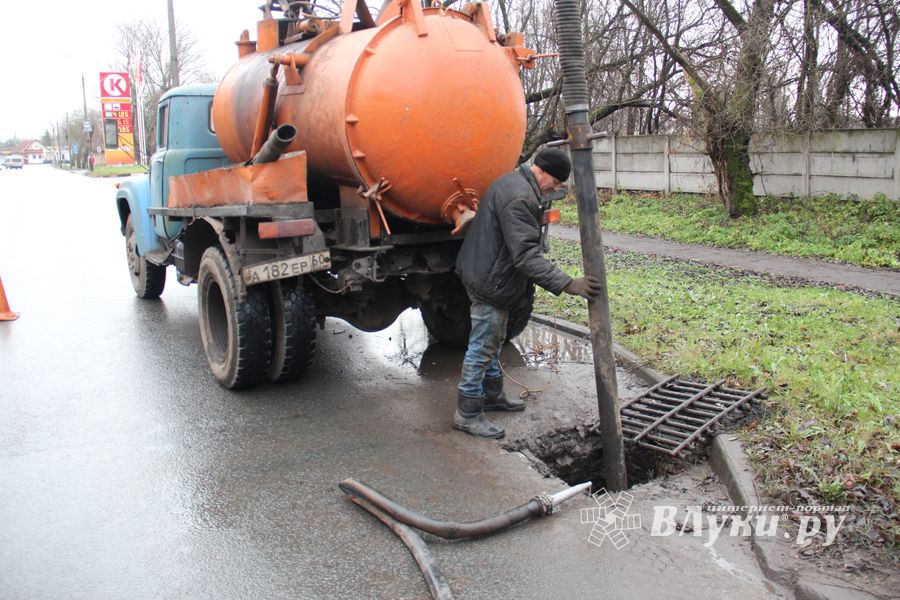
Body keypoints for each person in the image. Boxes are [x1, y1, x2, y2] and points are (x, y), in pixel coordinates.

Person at [453, 148, 602, 439]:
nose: (554, 190)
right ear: (542, 171)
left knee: (494, 339)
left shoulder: (510, 181)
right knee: (483, 346)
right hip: (490, 281)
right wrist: (568, 283)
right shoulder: (521, 198)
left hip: (484, 271)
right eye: (555, 183)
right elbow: (526, 257)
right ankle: (467, 413)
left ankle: (493, 394)